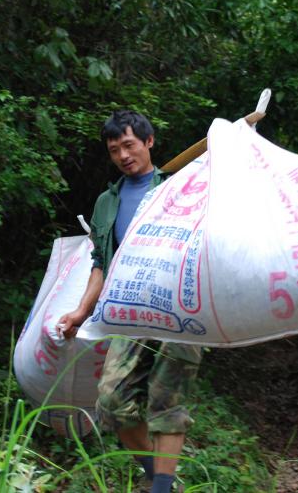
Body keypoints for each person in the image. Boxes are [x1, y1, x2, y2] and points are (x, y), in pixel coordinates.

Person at [58, 110, 202, 493]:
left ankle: (160, 488)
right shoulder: (108, 202)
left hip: (177, 309)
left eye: (129, 145)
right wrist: (80, 311)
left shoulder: (179, 187)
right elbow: (101, 263)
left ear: (149, 141)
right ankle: (160, 480)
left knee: (166, 400)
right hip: (131, 311)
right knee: (112, 402)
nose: (123, 155)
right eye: (114, 149)